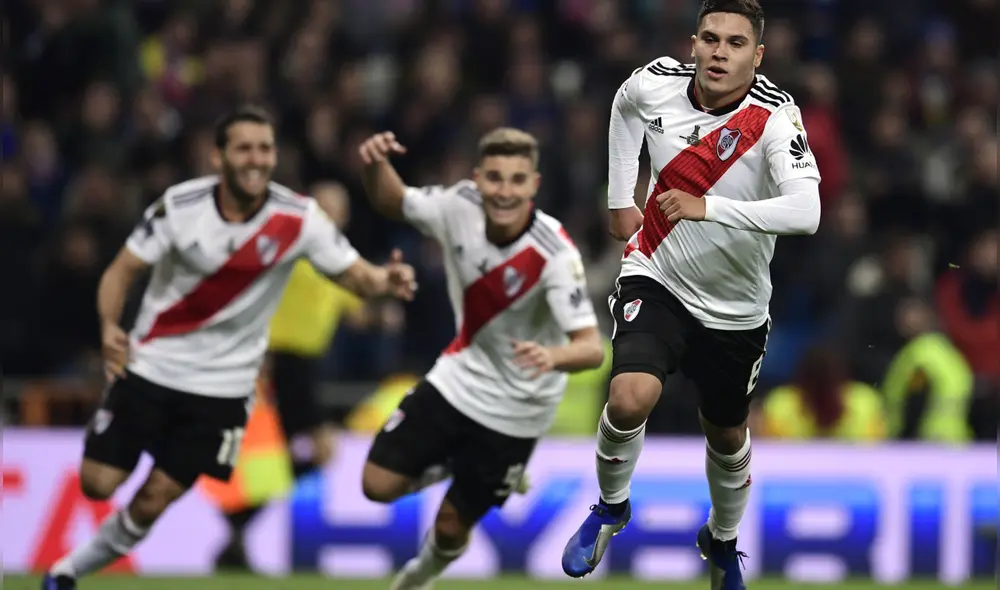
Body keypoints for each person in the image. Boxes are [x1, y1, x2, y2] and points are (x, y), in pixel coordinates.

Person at [42, 106, 417, 590]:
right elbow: (122, 269)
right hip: (153, 366)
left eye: (264, 148)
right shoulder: (181, 206)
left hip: (222, 389)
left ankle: (66, 573)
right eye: (244, 148)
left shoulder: (298, 218)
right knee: (98, 483)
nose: (256, 159)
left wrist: (387, 280)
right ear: (218, 157)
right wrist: (110, 325)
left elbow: (357, 277)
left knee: (155, 498)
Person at [560, 1, 822, 588]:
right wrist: (620, 198)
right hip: (658, 273)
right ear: (694, 43)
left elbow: (807, 212)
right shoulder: (655, 83)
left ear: (757, 56)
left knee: (725, 434)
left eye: (734, 44)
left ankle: (722, 543)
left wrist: (710, 208)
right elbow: (623, 106)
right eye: (710, 39)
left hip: (736, 307)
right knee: (629, 397)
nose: (719, 53)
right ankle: (610, 507)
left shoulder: (774, 118)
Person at [356, 127, 606, 590]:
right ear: (478, 178)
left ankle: (417, 578)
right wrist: (374, 164)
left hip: (517, 410)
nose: (504, 191)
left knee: (451, 528)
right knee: (375, 485)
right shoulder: (459, 205)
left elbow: (590, 347)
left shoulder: (554, 255)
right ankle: (459, 462)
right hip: (459, 378)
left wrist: (552, 356)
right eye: (494, 178)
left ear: (533, 184)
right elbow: (394, 200)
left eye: (516, 180)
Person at [211, 181, 368, 570]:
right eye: (324, 206)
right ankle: (236, 528)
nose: (331, 214)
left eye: (337, 207)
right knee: (314, 450)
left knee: (290, 456)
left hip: (306, 367)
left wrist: (385, 308)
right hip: (278, 361)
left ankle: (237, 530)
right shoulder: (290, 252)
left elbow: (358, 311)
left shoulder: (339, 261)